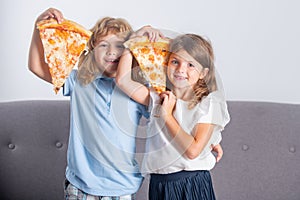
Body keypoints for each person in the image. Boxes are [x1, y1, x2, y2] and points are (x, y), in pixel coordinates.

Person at [28, 7, 164, 199]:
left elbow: (170, 111)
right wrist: (38, 27)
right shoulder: (79, 81)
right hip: (80, 186)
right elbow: (36, 66)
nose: (111, 52)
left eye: (120, 46)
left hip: (122, 188)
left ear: (130, 52)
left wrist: (145, 38)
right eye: (103, 45)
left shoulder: (138, 89)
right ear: (91, 50)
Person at [116, 33, 230, 199]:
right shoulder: (157, 97)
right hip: (159, 184)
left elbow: (193, 151)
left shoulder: (209, 103)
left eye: (191, 64)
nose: (181, 69)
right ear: (166, 64)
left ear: (203, 73)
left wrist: (167, 116)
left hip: (190, 183)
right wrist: (132, 42)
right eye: (175, 62)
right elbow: (122, 81)